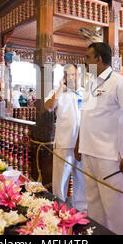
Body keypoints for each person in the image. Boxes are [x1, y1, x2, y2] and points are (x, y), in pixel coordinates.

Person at [75, 42, 123, 235]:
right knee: (94, 207)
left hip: (110, 158)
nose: (85, 61)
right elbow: (86, 117)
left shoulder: (119, 82)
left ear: (98, 58)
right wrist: (79, 143)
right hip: (88, 154)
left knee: (115, 210)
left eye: (88, 57)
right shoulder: (90, 84)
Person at [45, 64, 87, 212]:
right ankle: (58, 209)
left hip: (83, 144)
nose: (72, 78)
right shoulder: (58, 92)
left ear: (79, 76)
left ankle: (81, 210)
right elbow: (49, 107)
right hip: (64, 143)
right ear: (64, 77)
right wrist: (59, 90)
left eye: (74, 74)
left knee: (81, 180)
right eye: (68, 75)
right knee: (60, 179)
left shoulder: (86, 93)